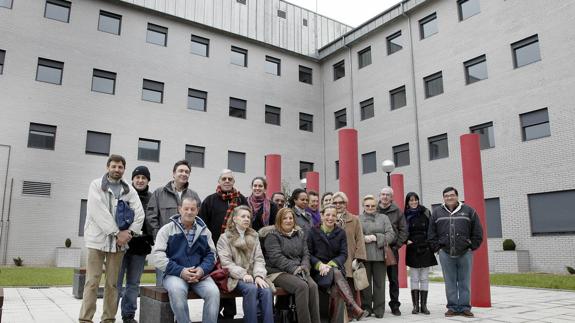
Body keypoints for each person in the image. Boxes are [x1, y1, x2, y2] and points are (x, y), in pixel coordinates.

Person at [79, 155, 145, 323]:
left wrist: (128, 234)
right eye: (114, 166)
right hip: (97, 241)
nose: (117, 169)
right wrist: (117, 232)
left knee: (112, 284)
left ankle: (108, 319)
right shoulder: (96, 185)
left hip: (119, 244)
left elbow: (139, 214)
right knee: (92, 282)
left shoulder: (129, 190)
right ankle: (85, 319)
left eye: (120, 167)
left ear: (124, 169)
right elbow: (98, 212)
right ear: (107, 167)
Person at [150, 197, 220, 323]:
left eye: (192, 209)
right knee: (177, 291)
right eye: (186, 208)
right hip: (175, 274)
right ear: (179, 209)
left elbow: (211, 255)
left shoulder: (204, 231)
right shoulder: (167, 230)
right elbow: (158, 256)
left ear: (197, 211)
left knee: (213, 292)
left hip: (200, 275)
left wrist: (201, 270)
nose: (189, 212)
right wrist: (181, 271)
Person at [199, 169, 248, 319]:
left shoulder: (241, 200)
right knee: (218, 280)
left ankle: (229, 315)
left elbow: (248, 223)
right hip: (214, 249)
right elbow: (202, 225)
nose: (227, 181)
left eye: (230, 179)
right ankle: (215, 314)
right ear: (219, 181)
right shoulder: (210, 200)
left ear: (233, 182)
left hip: (236, 249)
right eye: (224, 179)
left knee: (232, 279)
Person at [428, 187, 483, 318]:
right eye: (446, 196)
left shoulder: (469, 211)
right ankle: (452, 307)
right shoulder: (437, 213)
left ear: (457, 196)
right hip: (445, 253)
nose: (449, 198)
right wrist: (437, 248)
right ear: (443, 198)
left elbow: (478, 232)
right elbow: (431, 233)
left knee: (465, 281)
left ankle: (464, 307)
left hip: (465, 253)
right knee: (449, 281)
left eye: (452, 195)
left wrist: (471, 246)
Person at [307, 204, 368, 322]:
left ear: (337, 217)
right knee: (336, 276)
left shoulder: (340, 232)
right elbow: (309, 254)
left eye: (333, 215)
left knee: (336, 290)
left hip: (335, 269)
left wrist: (330, 264)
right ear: (322, 215)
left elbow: (343, 254)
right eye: (327, 215)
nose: (330, 218)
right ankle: (353, 306)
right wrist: (320, 265)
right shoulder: (313, 232)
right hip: (318, 271)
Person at [147, 159, 202, 285]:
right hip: (165, 247)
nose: (184, 174)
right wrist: (158, 237)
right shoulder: (159, 193)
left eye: (187, 172)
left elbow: (198, 219)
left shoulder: (194, 195)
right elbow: (151, 216)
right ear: (173, 173)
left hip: (186, 250)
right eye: (181, 171)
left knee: (181, 286)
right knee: (162, 285)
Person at [217, 206, 274, 323]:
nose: (246, 219)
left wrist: (258, 275)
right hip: (235, 277)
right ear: (234, 219)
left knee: (266, 290)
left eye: (248, 217)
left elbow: (259, 259)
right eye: (243, 216)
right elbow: (226, 263)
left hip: (254, 275)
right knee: (251, 289)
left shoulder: (254, 235)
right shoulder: (225, 238)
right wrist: (243, 274)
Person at [262, 208, 320, 323]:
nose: (288, 220)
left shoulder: (300, 234)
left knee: (313, 286)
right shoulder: (272, 236)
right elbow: (276, 258)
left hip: (299, 269)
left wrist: (304, 266)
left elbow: (306, 254)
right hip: (277, 271)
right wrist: (294, 268)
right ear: (279, 220)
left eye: (290, 218)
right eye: (285, 218)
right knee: (301, 286)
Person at [117, 166, 154, 323]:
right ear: (132, 179)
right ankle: (109, 315)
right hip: (120, 245)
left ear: (147, 181)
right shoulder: (124, 195)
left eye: (143, 178)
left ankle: (128, 315)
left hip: (140, 248)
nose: (140, 180)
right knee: (115, 283)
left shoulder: (153, 198)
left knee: (133, 284)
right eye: (137, 177)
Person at [331, 192, 367, 319]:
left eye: (341, 202)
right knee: (337, 286)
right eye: (335, 203)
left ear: (346, 204)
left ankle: (352, 313)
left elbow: (360, 239)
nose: (338, 205)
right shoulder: (329, 218)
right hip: (334, 257)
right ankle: (340, 313)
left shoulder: (354, 219)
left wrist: (358, 257)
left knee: (350, 286)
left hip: (350, 257)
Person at [359, 195, 395, 318]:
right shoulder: (358, 218)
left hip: (380, 255)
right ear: (363, 206)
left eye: (373, 205)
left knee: (380, 284)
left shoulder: (383, 218)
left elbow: (391, 234)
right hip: (364, 256)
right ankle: (366, 308)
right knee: (366, 284)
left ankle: (379, 309)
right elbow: (355, 235)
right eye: (367, 205)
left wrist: (376, 237)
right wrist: (363, 238)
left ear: (376, 205)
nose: (370, 207)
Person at [404, 192, 438, 315]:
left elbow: (432, 228)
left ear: (418, 200)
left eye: (415, 200)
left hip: (425, 247)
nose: (414, 202)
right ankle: (415, 306)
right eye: (411, 200)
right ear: (407, 202)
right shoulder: (405, 215)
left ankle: (424, 306)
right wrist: (405, 241)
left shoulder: (426, 212)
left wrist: (431, 243)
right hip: (412, 248)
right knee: (414, 277)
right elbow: (401, 230)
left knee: (424, 277)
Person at [377, 186, 407, 316]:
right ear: (380, 196)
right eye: (383, 194)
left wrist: (397, 245)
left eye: (387, 194)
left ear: (391, 197)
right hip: (376, 249)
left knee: (393, 279)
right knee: (377, 279)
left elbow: (404, 230)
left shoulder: (398, 212)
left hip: (392, 249)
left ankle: (395, 305)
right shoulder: (374, 209)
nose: (384, 197)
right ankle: (378, 305)